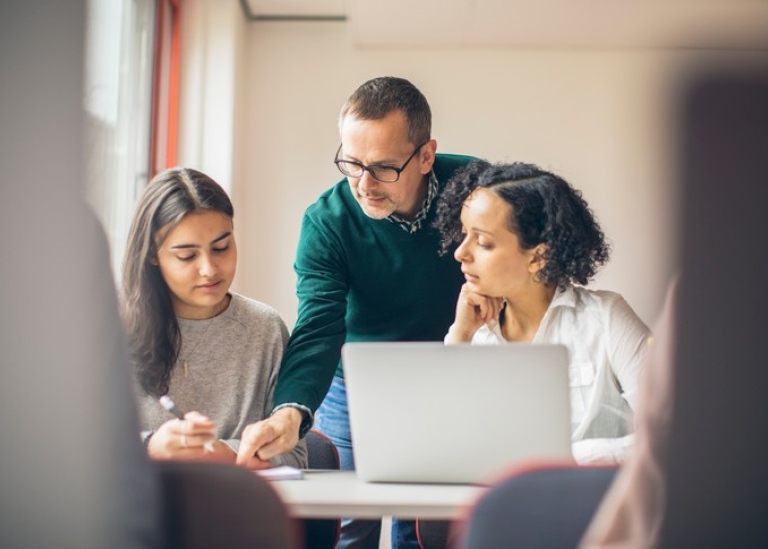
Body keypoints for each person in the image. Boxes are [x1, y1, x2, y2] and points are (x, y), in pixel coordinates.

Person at [237, 76, 477, 548]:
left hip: (445, 374)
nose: (363, 185)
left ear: (426, 156)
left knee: (422, 527)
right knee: (351, 526)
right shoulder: (326, 222)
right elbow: (319, 326)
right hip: (354, 383)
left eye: (384, 168)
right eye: (351, 162)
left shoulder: (474, 188)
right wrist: (289, 411)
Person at [433, 160, 651, 464]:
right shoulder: (474, 335)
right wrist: (459, 336)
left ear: (539, 257)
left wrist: (564, 461)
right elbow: (442, 443)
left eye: (482, 242)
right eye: (464, 234)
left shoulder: (607, 319)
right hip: (502, 505)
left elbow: (671, 432)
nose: (460, 252)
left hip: (593, 504)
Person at [122, 167, 306, 468]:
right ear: (152, 255)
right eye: (187, 256)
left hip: (232, 509)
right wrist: (149, 445)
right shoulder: (112, 329)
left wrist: (228, 453)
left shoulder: (264, 330)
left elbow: (297, 456)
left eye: (221, 247)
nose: (209, 269)